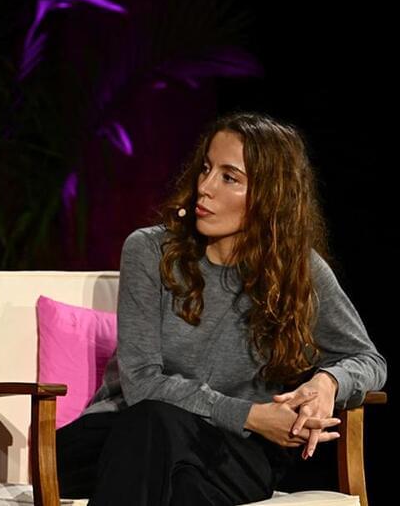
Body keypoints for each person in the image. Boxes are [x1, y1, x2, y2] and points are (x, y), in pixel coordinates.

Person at [55, 112, 387, 505]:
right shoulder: (150, 251)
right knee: (155, 429)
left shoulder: (299, 272)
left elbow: (368, 360)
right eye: (206, 169)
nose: (205, 187)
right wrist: (251, 415)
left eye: (229, 178)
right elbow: (142, 384)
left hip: (227, 450)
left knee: (182, 479)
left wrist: (327, 383)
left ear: (270, 196)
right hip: (116, 433)